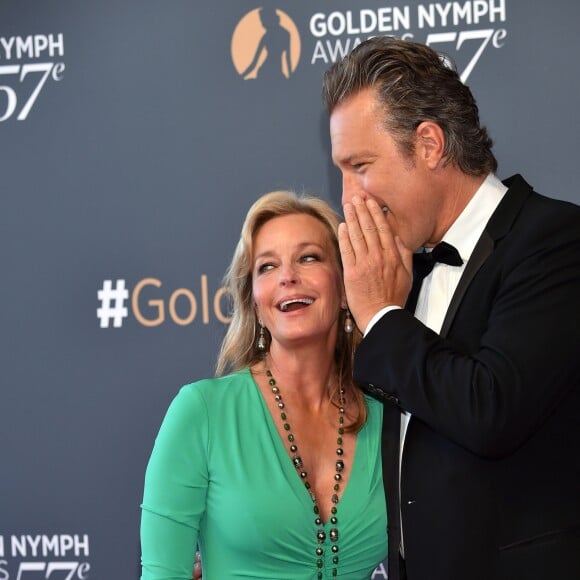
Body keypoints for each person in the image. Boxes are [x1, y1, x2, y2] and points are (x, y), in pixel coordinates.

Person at [322, 35, 580, 580]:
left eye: (360, 166)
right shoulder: (404, 273)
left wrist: (382, 318)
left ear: (430, 145)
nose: (347, 198)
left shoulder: (554, 239)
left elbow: (492, 409)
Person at [140, 190, 388, 579]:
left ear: (343, 289)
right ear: (256, 304)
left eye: (309, 257)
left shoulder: (387, 415)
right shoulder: (202, 412)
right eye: (267, 267)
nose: (288, 276)